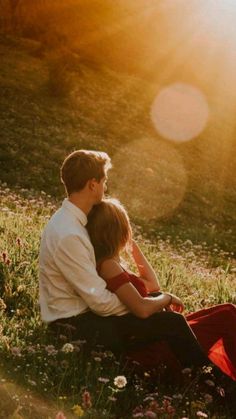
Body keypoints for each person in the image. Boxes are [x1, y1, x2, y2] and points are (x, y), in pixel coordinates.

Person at [39, 149, 207, 369]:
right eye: (103, 181)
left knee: (154, 302)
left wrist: (144, 301)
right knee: (171, 322)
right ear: (92, 184)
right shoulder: (70, 233)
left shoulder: (70, 222)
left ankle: (185, 370)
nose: (105, 187)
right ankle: (211, 380)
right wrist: (140, 305)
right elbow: (99, 301)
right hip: (76, 327)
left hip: (85, 318)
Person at [87, 197, 236, 381]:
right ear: (117, 231)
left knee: (228, 310)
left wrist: (132, 245)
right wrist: (165, 298)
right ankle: (224, 384)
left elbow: (152, 283)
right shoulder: (108, 265)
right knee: (227, 318)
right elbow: (141, 308)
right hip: (150, 345)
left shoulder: (114, 263)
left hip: (157, 333)